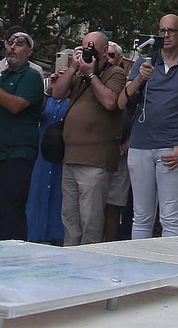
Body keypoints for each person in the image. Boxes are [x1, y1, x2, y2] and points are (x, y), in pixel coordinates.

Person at [122, 15, 178, 238]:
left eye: (171, 30)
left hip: (172, 148)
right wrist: (140, 79)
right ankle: (138, 269)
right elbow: (122, 101)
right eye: (162, 31)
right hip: (141, 146)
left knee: (170, 217)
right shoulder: (144, 63)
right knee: (141, 216)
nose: (166, 35)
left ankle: (170, 268)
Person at [50, 32, 127, 245]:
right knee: (70, 217)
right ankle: (70, 262)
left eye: (91, 49)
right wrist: (74, 67)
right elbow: (57, 93)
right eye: (84, 48)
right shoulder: (78, 73)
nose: (87, 53)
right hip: (70, 157)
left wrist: (92, 75)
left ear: (104, 52)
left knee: (90, 220)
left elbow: (111, 102)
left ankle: (88, 266)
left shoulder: (115, 73)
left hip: (96, 161)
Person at [0, 31, 44, 239]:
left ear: (29, 51)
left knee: (10, 213)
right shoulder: (2, 77)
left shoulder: (31, 75)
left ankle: (13, 264)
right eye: (9, 42)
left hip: (14, 156)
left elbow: (15, 106)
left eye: (20, 43)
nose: (13, 46)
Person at [27, 59, 70, 244]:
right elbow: (36, 113)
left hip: (62, 156)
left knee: (58, 197)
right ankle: (34, 235)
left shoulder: (73, 101)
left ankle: (57, 236)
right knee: (37, 194)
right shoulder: (49, 99)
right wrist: (49, 90)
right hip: (41, 156)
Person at [103, 41, 132, 241]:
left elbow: (139, 114)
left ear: (120, 59)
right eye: (105, 55)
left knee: (114, 206)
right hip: (98, 151)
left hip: (122, 151)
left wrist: (129, 142)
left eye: (112, 55)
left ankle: (111, 246)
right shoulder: (93, 78)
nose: (108, 59)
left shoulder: (131, 83)